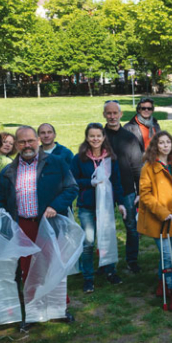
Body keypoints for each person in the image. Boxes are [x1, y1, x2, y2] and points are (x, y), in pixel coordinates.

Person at [0, 126, 78, 324]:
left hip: (48, 223)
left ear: (37, 141)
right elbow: (0, 198)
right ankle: (34, 311)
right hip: (23, 226)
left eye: (31, 141)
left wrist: (55, 206)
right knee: (28, 268)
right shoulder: (8, 171)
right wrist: (3, 217)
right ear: (16, 145)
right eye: (22, 142)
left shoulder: (55, 163)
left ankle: (59, 308)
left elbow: (72, 187)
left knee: (53, 265)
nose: (27, 145)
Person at [137, 131, 172, 310]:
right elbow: (145, 195)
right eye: (161, 143)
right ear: (155, 146)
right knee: (167, 256)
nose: (165, 146)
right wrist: (161, 212)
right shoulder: (149, 167)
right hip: (159, 219)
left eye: (168, 142)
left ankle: (163, 283)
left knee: (170, 252)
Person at [70, 123, 127, 293]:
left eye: (98, 136)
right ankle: (88, 278)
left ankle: (110, 270)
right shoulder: (79, 158)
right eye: (92, 136)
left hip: (106, 206)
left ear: (103, 138)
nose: (95, 139)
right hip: (87, 206)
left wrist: (121, 203)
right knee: (88, 242)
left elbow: (116, 182)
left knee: (107, 238)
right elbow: (72, 182)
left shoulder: (110, 158)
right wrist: (90, 182)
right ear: (87, 138)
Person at [103, 100, 144, 274]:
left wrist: (140, 191)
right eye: (109, 113)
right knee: (105, 228)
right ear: (104, 115)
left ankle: (132, 260)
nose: (112, 116)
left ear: (120, 115)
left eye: (115, 113)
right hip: (103, 190)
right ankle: (106, 262)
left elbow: (137, 166)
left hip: (127, 189)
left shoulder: (129, 137)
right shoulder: (99, 135)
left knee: (131, 228)